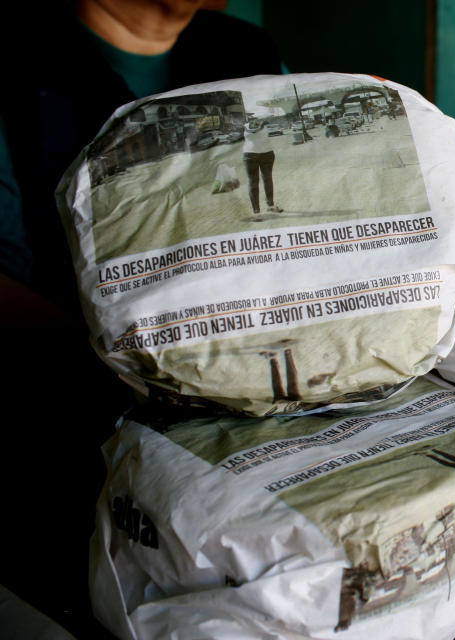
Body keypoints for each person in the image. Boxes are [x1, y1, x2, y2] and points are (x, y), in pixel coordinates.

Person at [0, 1, 283, 635]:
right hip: (63, 446)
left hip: (250, 424)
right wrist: (138, 358)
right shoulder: (19, 62)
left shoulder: (248, 54)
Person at [242, 117, 283, 218]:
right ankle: (258, 211)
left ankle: (267, 207)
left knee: (265, 179)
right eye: (251, 120)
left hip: (263, 154)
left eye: (255, 120)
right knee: (256, 181)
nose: (254, 122)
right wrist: (262, 124)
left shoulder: (256, 126)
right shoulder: (250, 127)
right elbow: (255, 130)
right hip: (254, 155)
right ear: (248, 122)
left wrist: (262, 124)